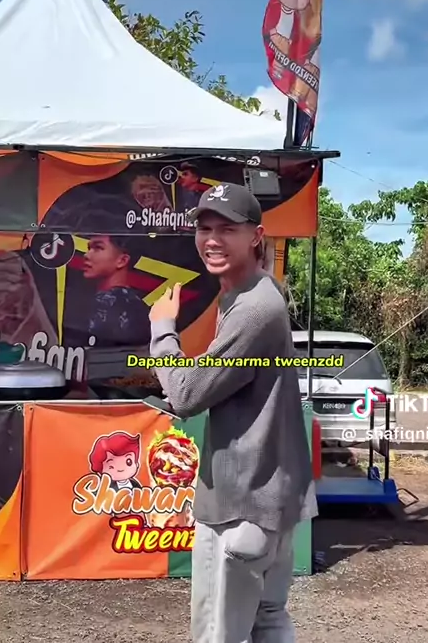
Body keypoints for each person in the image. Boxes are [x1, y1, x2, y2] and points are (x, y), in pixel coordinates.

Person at [148, 182, 318, 643]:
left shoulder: (253, 309)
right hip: (270, 501)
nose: (212, 240)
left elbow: (187, 395)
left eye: (227, 229)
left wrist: (162, 329)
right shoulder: (252, 294)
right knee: (268, 620)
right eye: (204, 228)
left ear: (256, 236)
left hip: (241, 507)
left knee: (218, 635)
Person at [83, 235, 150, 348]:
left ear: (122, 261)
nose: (86, 255)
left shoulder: (111, 306)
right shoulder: (140, 308)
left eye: (98, 248)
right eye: (89, 248)